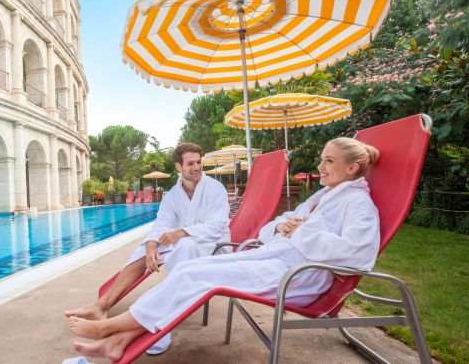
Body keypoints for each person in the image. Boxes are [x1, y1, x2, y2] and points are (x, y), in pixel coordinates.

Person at [66, 137, 381, 361]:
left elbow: (357, 255)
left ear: (352, 168)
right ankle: (118, 340)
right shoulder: (324, 197)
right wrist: (283, 227)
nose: (321, 165)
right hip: (278, 260)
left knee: (193, 274)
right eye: (322, 159)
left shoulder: (358, 204)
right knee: (189, 269)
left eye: (328, 160)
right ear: (179, 167)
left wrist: (301, 232)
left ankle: (110, 328)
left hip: (300, 276)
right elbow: (279, 224)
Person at [65, 142, 230, 353]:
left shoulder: (215, 189)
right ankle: (102, 306)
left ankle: (160, 329)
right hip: (189, 242)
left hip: (214, 247)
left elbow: (217, 225)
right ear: (179, 167)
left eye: (199, 162)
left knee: (184, 246)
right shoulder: (173, 194)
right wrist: (152, 244)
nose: (197, 167)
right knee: (146, 249)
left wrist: (181, 232)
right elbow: (162, 223)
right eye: (191, 164)